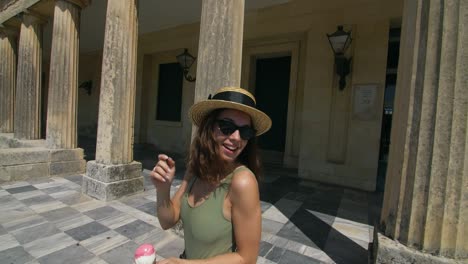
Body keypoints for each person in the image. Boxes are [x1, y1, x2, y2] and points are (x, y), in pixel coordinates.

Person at [150, 87, 272, 264]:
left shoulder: (242, 182)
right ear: (209, 127)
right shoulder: (196, 168)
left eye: (245, 132)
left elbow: (247, 258)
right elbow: (168, 220)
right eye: (227, 127)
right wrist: (162, 188)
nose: (237, 137)